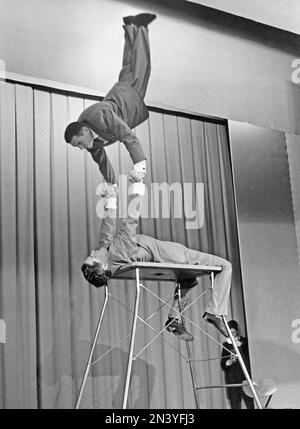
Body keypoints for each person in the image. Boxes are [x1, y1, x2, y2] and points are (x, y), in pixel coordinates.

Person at [80, 174, 232, 341]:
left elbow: (108, 226)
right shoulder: (118, 251)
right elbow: (131, 220)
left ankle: (174, 318)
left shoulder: (107, 252)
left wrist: (111, 197)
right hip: (173, 255)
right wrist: (137, 187)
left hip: (168, 255)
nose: (92, 253)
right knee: (225, 266)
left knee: (188, 281)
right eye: (92, 257)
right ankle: (215, 312)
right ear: (102, 265)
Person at [64, 13, 157, 185]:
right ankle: (131, 26)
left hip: (128, 96)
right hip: (121, 91)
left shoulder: (100, 116)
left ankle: (141, 26)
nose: (81, 148)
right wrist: (112, 188)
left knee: (142, 65)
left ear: (83, 131)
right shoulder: (92, 143)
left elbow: (128, 137)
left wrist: (139, 168)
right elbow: (103, 164)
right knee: (130, 64)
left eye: (78, 143)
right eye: (77, 146)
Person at [220, 320, 255, 409]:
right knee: (235, 405)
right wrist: (227, 364)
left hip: (245, 378)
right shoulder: (226, 345)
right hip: (233, 379)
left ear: (237, 331)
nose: (232, 334)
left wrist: (242, 345)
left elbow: (252, 355)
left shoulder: (245, 341)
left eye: (234, 332)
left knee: (250, 403)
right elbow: (223, 363)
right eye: (230, 333)